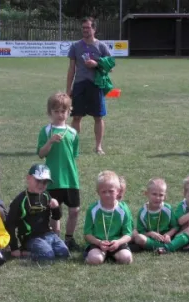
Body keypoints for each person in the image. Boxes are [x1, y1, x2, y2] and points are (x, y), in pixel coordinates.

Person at [37, 92, 80, 250]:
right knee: (55, 211)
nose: (60, 114)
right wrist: (50, 142)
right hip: (53, 178)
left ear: (69, 112)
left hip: (70, 178)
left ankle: (69, 238)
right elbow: (41, 154)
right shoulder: (46, 131)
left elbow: (73, 155)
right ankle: (56, 240)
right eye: (56, 111)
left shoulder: (73, 132)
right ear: (50, 112)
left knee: (74, 210)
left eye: (63, 111)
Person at [66, 17, 111, 155]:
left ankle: (98, 147)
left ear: (94, 29)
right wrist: (68, 89)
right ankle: (74, 147)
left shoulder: (101, 46)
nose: (85, 30)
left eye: (88, 27)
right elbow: (71, 68)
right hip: (79, 85)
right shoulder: (75, 46)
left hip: (96, 85)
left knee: (98, 117)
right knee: (76, 117)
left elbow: (110, 67)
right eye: (83, 27)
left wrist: (96, 64)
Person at [6, 164, 70, 262]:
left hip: (48, 234)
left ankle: (47, 248)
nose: (41, 184)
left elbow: (56, 217)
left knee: (64, 253)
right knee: (47, 255)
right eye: (38, 180)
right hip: (31, 238)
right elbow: (10, 224)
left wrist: (56, 208)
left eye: (45, 182)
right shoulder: (20, 200)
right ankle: (24, 252)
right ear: (28, 178)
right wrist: (14, 248)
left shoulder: (46, 195)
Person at [134, 178, 189, 254]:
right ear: (147, 194)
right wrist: (151, 233)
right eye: (154, 194)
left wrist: (168, 235)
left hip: (169, 239)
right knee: (139, 238)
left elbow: (175, 227)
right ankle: (171, 247)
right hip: (152, 240)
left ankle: (166, 248)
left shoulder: (167, 209)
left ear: (165, 196)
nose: (157, 198)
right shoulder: (142, 212)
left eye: (161, 195)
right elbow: (141, 231)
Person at [83, 171, 133, 265]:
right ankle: (92, 256)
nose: (107, 194)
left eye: (111, 191)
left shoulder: (123, 210)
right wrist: (99, 242)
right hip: (98, 243)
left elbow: (128, 234)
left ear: (118, 191)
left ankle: (112, 255)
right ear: (98, 192)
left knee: (127, 258)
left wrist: (118, 242)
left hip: (117, 243)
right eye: (103, 192)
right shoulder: (92, 210)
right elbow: (87, 234)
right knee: (95, 259)